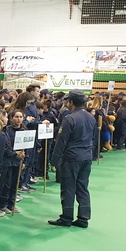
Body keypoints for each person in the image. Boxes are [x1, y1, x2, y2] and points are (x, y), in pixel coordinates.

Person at [48, 90, 93, 229]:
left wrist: (54, 161)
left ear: (71, 102)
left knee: (68, 187)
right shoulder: (91, 117)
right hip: (86, 156)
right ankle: (84, 218)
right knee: (82, 187)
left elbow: (61, 141)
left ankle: (66, 217)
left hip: (72, 158)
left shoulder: (70, 119)